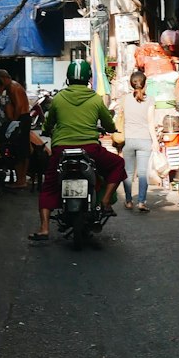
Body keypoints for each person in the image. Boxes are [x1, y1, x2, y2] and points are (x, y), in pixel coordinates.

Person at [29, 60, 126, 243]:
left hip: (61, 150)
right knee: (118, 163)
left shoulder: (58, 98)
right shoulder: (95, 99)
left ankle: (44, 228)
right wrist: (111, 129)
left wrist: (48, 130)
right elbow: (108, 123)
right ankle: (105, 200)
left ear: (68, 78)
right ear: (88, 78)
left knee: (49, 185)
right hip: (90, 149)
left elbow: (49, 124)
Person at [117, 69, 155, 211]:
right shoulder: (150, 100)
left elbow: (120, 116)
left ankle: (128, 201)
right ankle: (141, 202)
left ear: (131, 84)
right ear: (145, 84)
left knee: (128, 172)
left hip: (128, 140)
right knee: (143, 172)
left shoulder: (125, 99)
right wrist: (155, 141)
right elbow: (151, 122)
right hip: (145, 140)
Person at [0, 68, 31, 190]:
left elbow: (19, 106)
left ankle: (20, 180)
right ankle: (22, 179)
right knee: (23, 150)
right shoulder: (13, 86)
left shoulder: (13, 87)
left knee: (18, 150)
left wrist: (13, 122)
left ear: (4, 79)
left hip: (21, 119)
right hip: (24, 118)